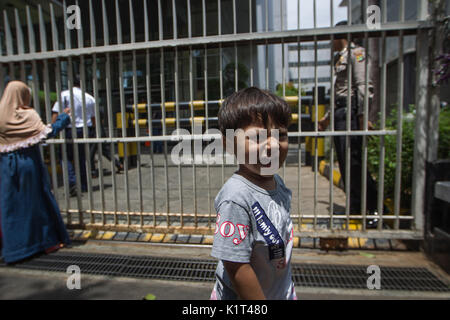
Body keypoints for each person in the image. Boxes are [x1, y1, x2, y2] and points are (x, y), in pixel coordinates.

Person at [210, 87, 296, 300]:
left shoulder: (276, 182)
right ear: (229, 144)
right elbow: (235, 266)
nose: (273, 145)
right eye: (258, 137)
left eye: (281, 135)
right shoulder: (236, 197)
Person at [0, 81, 72, 264]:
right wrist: (63, 119)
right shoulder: (28, 115)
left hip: (4, 167)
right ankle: (45, 242)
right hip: (27, 163)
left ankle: (13, 249)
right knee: (36, 203)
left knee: (10, 207)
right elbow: (47, 132)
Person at [318, 21, 380, 227]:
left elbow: (363, 87)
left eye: (332, 37)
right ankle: (355, 208)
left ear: (340, 35)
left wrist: (363, 116)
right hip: (340, 113)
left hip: (351, 114)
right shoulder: (341, 57)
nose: (330, 42)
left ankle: (374, 209)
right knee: (346, 164)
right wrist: (328, 117)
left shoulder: (357, 53)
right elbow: (338, 93)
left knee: (355, 163)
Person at [52, 77, 95, 196]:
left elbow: (55, 113)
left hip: (69, 129)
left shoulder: (64, 95)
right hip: (85, 130)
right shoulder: (89, 97)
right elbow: (93, 118)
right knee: (82, 158)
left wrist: (53, 129)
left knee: (64, 157)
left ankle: (72, 183)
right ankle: (83, 185)